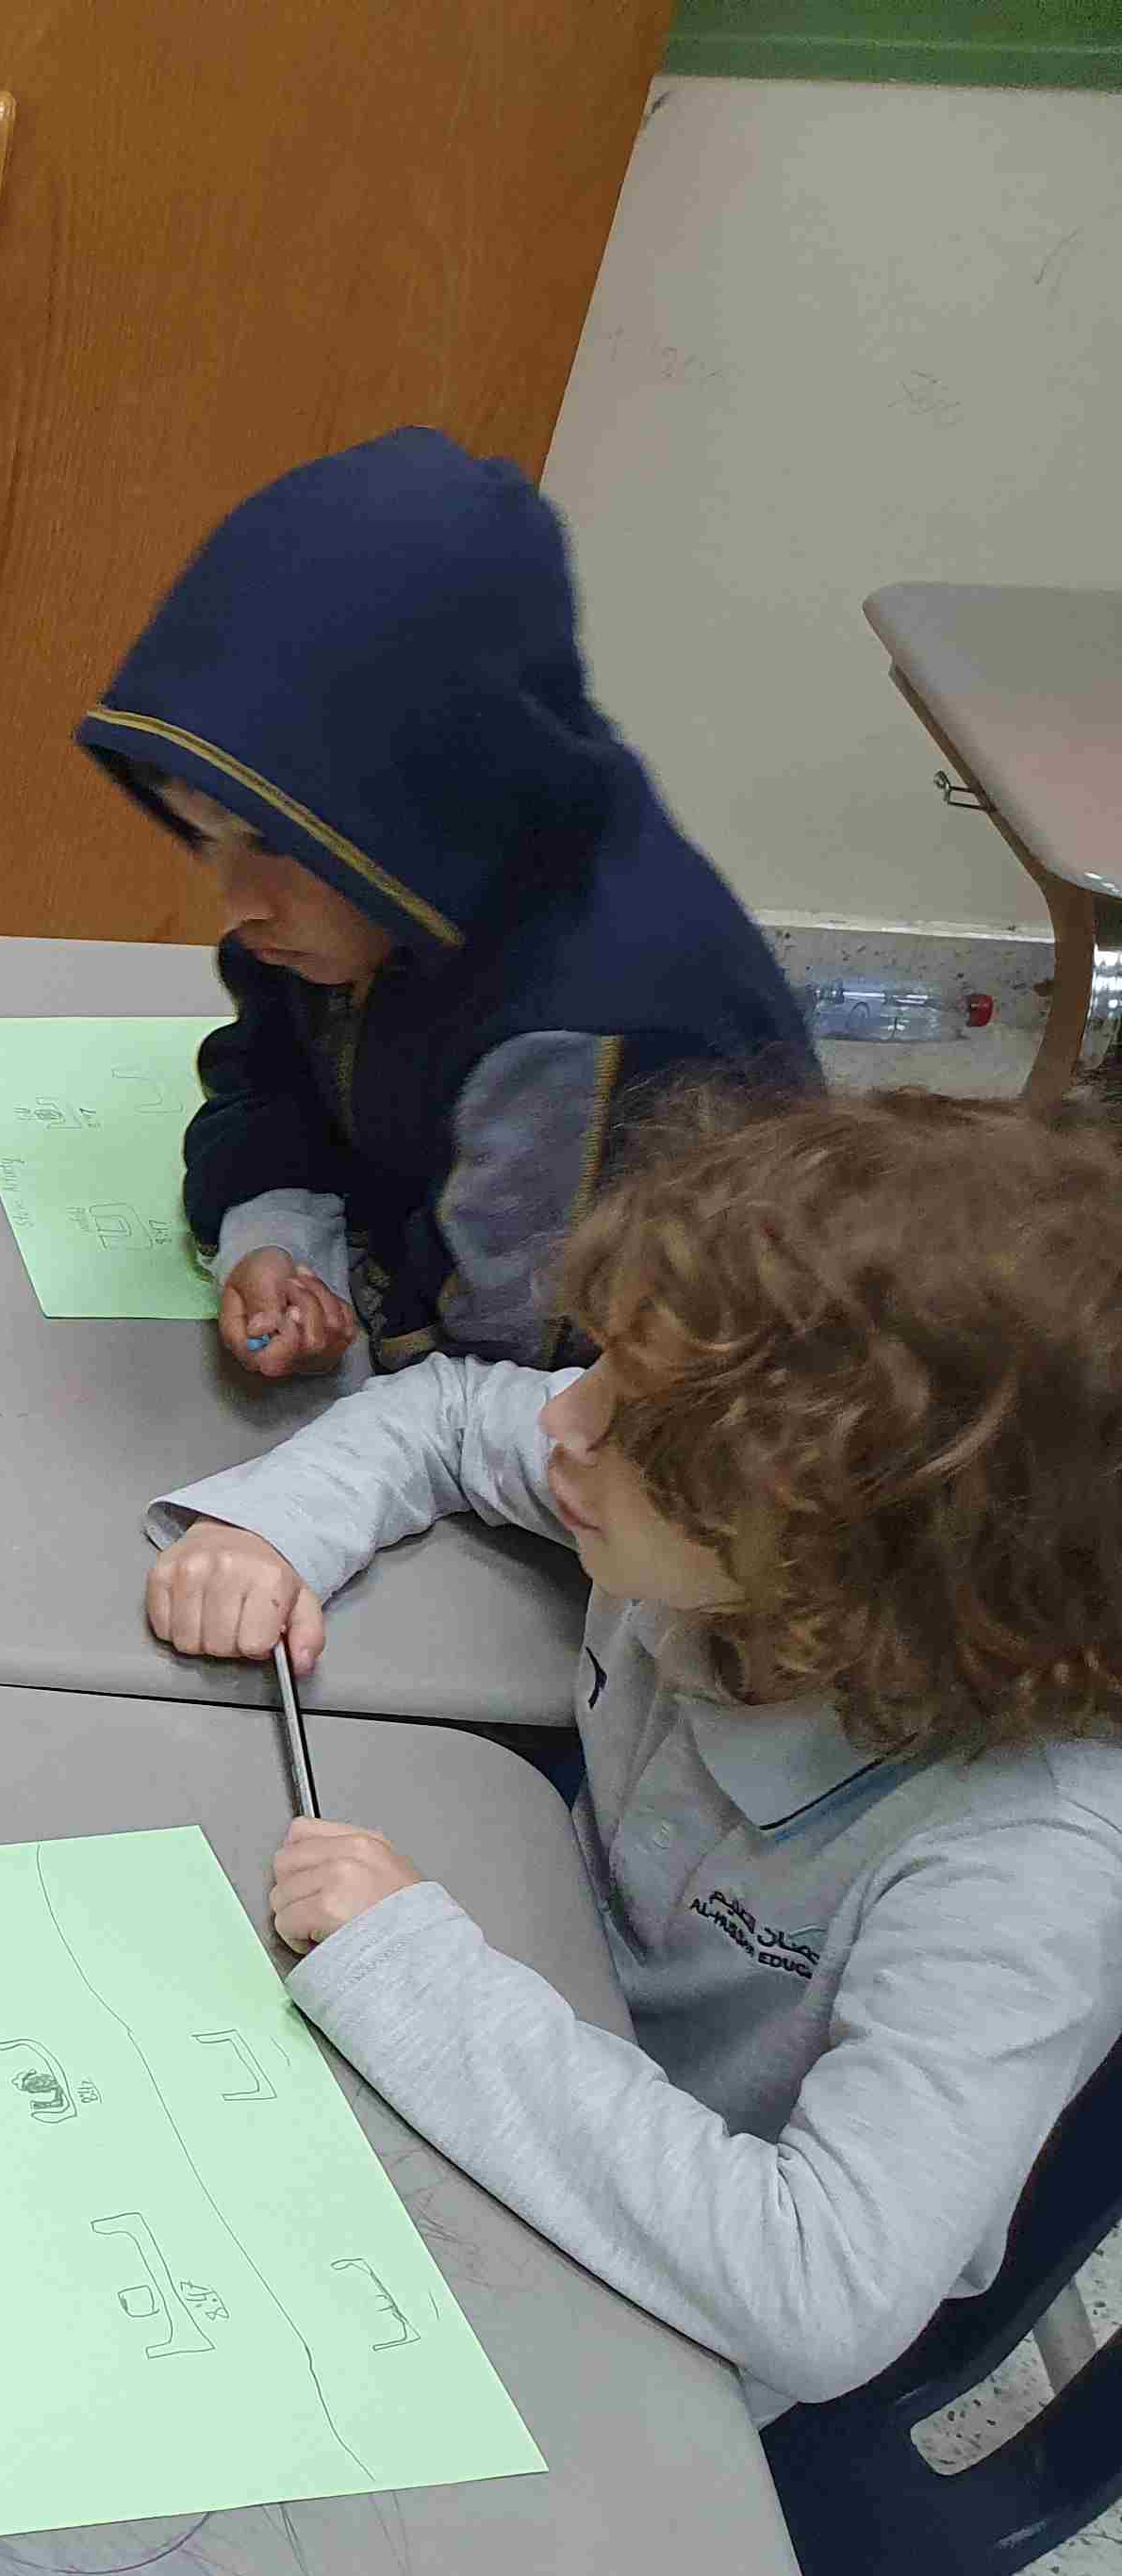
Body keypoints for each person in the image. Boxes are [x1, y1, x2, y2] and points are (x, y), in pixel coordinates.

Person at [142, 1088, 1122, 2412]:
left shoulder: (1029, 1867)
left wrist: (416, 1975)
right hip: (524, 2046)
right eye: (603, 1368)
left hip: (660, 2297)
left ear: (853, 1556)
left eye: (631, 1418)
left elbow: (821, 2295)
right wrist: (275, 1530)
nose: (567, 1421)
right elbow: (451, 1412)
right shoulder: (734, 1522)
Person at [77, 428, 815, 1384]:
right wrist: (275, 1236)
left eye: (267, 841)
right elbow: (273, 1079)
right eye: (206, 838)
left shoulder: (584, 1033)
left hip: (623, 1405)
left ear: (424, 803)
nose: (236, 906)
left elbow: (505, 1386)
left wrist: (356, 1343)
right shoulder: (360, 898)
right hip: (440, 1281)